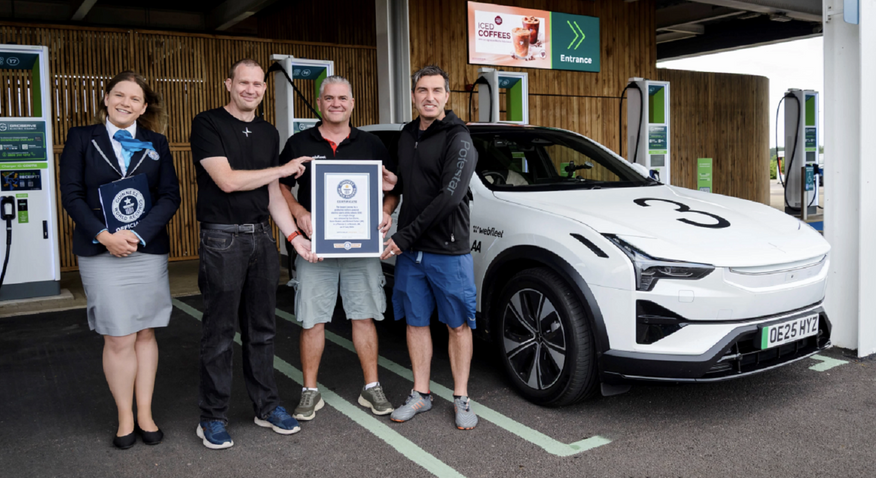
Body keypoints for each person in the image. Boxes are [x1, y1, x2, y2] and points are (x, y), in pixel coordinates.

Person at [189, 58, 318, 450]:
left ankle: (267, 406)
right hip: (222, 239)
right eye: (243, 82)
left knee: (263, 330)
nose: (250, 89)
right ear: (228, 83)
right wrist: (281, 170)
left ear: (264, 88)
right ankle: (212, 417)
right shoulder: (208, 123)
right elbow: (227, 181)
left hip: (262, 238)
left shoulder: (268, 132)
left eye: (258, 84)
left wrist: (294, 238)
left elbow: (271, 192)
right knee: (219, 333)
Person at [59, 71, 181, 449]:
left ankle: (145, 413)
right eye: (119, 94)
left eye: (134, 98)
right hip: (101, 249)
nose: (125, 102)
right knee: (118, 335)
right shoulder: (82, 138)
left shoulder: (156, 142)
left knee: (145, 331)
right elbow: (71, 194)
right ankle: (125, 417)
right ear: (106, 98)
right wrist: (104, 235)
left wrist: (138, 234)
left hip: (145, 250)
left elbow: (170, 196)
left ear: (143, 108)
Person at [278, 76, 398, 421]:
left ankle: (371, 386)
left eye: (342, 98)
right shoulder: (299, 142)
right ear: (319, 103)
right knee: (312, 319)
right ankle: (310, 391)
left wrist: (386, 211)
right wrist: (298, 211)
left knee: (364, 316)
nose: (336, 104)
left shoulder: (372, 144)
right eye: (329, 98)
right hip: (316, 248)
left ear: (352, 103)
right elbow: (280, 184)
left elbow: (393, 187)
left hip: (361, 248)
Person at [381, 65, 479, 430]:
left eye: (437, 91)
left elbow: (449, 196)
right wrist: (392, 187)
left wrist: (403, 237)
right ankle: (420, 394)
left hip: (447, 251)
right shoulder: (407, 134)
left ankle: (461, 397)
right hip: (412, 254)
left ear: (447, 96)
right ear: (413, 95)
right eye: (422, 90)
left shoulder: (458, 137)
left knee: (457, 325)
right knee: (416, 322)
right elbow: (407, 183)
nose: (429, 97)